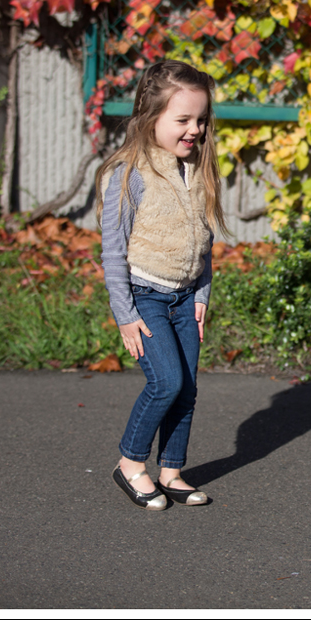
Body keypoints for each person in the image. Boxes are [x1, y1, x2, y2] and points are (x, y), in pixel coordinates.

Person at [95, 60, 228, 510]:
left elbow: (203, 241)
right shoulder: (130, 174)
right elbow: (113, 253)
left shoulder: (197, 169)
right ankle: (131, 464)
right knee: (166, 382)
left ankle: (171, 470)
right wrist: (125, 314)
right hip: (145, 297)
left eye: (201, 120)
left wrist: (203, 292)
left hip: (186, 296)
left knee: (188, 388)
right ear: (151, 118)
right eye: (183, 120)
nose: (196, 129)